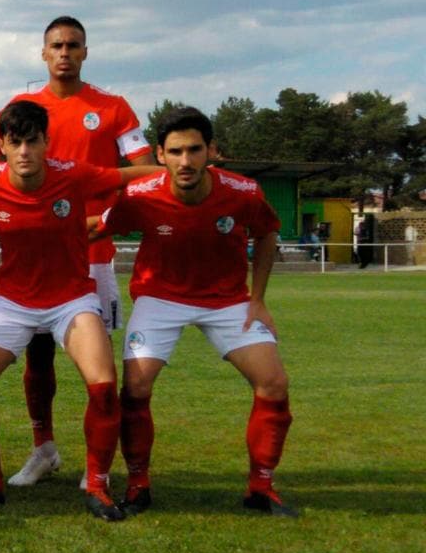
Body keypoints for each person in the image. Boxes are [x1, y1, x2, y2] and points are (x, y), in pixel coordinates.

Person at [0, 100, 159, 520]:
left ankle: (97, 485)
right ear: (2, 147)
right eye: (15, 143)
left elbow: (125, 174)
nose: (24, 151)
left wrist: (175, 172)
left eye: (32, 141)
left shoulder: (73, 175)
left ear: (46, 143)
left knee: (102, 388)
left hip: (72, 299)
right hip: (12, 302)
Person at [95, 107, 295, 517]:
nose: (185, 161)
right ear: (160, 155)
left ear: (212, 151)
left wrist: (257, 299)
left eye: (194, 150)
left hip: (227, 300)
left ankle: (261, 487)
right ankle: (138, 484)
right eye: (175, 151)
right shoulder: (139, 194)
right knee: (136, 388)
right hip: (160, 297)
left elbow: (268, 231)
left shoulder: (244, 192)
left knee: (273, 383)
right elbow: (99, 226)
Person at [0, 16, 154, 488]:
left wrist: (103, 223)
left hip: (92, 258)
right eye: (56, 46)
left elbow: (142, 171)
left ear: (86, 52)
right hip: (33, 262)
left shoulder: (113, 108)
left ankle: (94, 460)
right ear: (43, 53)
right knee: (38, 359)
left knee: (95, 364)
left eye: (73, 45)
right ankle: (44, 449)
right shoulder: (21, 108)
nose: (64, 53)